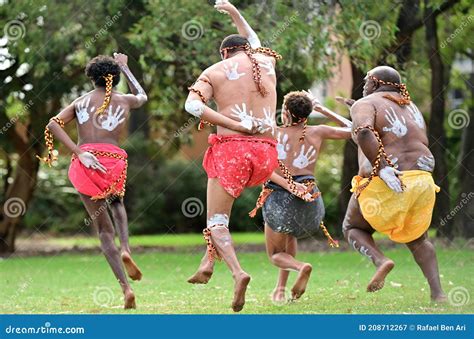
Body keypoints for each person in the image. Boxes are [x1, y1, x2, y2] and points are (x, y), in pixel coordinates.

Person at [184, 0, 284, 312]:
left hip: (232, 152)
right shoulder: (266, 63)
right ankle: (207, 264)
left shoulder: (214, 71)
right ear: (246, 50)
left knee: (216, 220)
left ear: (225, 53)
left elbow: (193, 107)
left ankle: (238, 273)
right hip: (267, 154)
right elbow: (254, 39)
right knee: (221, 215)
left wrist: (233, 124)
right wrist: (233, 12)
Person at [37, 53, 147, 309]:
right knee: (117, 205)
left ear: (91, 78)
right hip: (113, 159)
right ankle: (127, 247)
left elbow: (52, 125)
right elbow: (142, 96)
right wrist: (127, 68)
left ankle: (126, 289)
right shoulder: (124, 100)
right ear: (116, 78)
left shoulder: (81, 101)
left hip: (87, 161)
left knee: (104, 231)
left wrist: (79, 153)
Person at [343, 65, 446, 301]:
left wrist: (382, 169)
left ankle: (382, 260)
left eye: (367, 81)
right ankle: (438, 294)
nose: (364, 86)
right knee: (419, 239)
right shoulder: (410, 106)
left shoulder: (366, 103)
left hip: (391, 178)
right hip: (422, 181)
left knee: (353, 228)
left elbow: (364, 131)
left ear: (376, 83)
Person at [250, 90, 351, 302]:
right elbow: (354, 130)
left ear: (285, 112)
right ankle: (280, 289)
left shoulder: (272, 132)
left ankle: (300, 267)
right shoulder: (318, 131)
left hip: (279, 196)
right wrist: (323, 109)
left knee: (276, 254)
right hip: (310, 197)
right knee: (290, 236)